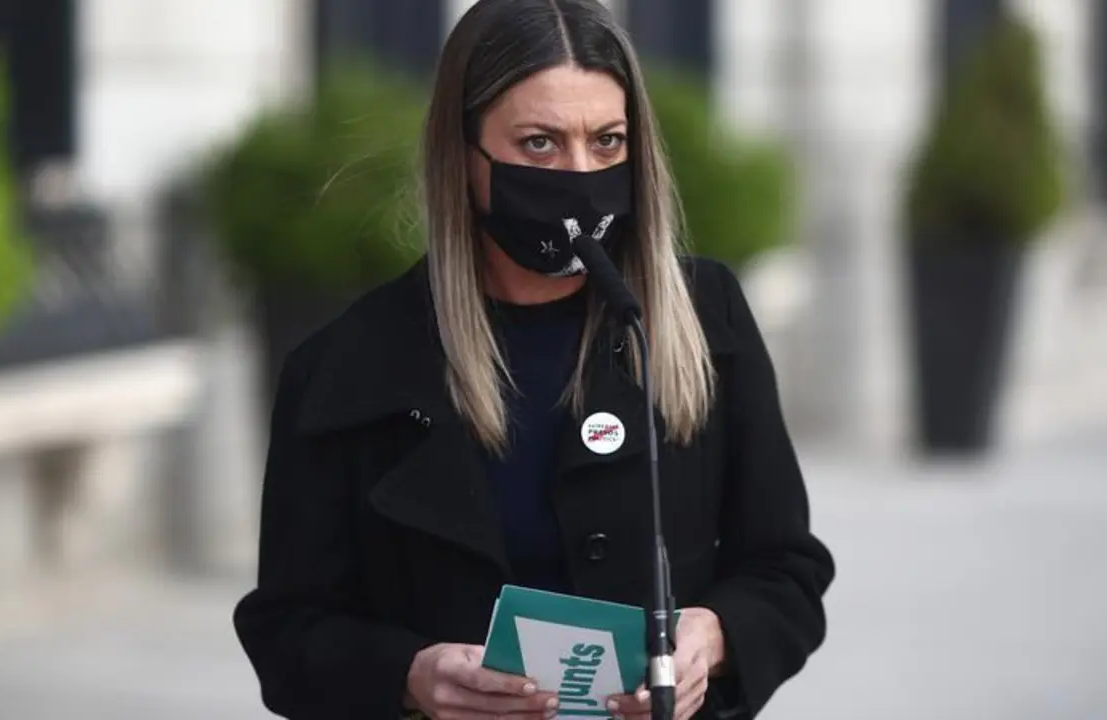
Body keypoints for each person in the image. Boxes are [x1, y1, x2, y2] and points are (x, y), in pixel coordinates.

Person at [232, 1, 835, 718]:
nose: (579, 174)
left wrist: (715, 636)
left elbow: (785, 569)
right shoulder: (349, 366)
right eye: (540, 143)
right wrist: (410, 675)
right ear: (464, 154)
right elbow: (287, 631)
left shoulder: (703, 319)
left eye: (607, 141)